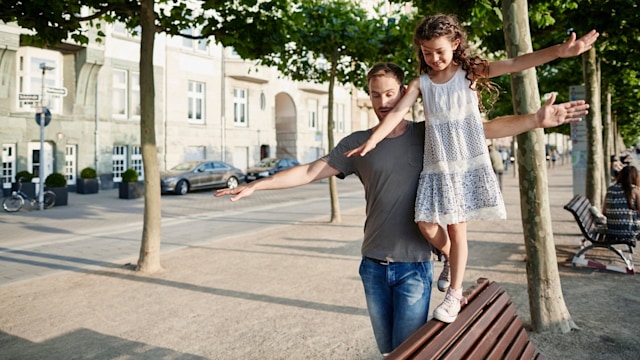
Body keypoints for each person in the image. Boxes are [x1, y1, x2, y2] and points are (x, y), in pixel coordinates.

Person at [215, 62, 589, 355]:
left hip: (414, 268)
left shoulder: (427, 133)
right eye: (376, 95)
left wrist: (536, 121)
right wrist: (258, 184)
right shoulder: (359, 143)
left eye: (390, 93)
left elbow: (486, 128)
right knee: (388, 350)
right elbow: (312, 171)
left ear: (404, 92)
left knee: (409, 352)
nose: (383, 102)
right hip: (372, 266)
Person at [345, 14, 598, 323]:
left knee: (456, 228)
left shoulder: (469, 72)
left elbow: (517, 62)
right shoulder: (421, 83)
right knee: (425, 223)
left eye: (439, 51)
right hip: (437, 168)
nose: (434, 58)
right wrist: (373, 140)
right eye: (426, 52)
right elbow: (398, 111)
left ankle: (454, 295)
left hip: (464, 166)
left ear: (455, 44)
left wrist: (558, 51)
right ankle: (452, 258)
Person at [603, 165, 640, 240]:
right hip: (630, 231)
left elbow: (604, 211)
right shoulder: (635, 190)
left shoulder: (610, 189)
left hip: (612, 230)